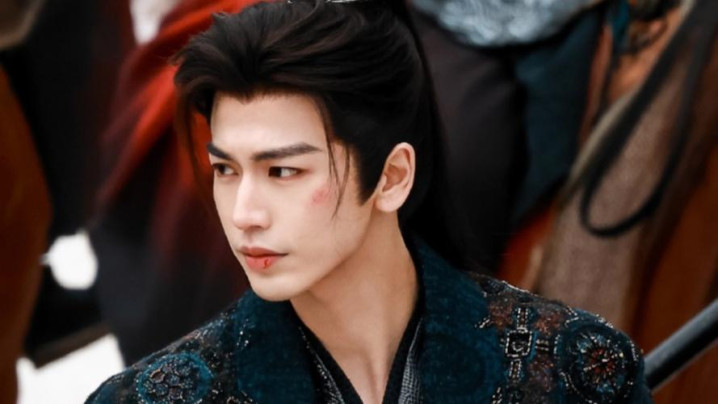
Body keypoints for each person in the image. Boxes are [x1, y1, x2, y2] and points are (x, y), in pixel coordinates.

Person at [88, 0, 652, 402]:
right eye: (225, 170)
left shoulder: (583, 368)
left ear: (393, 177)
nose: (243, 216)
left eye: (282, 170)